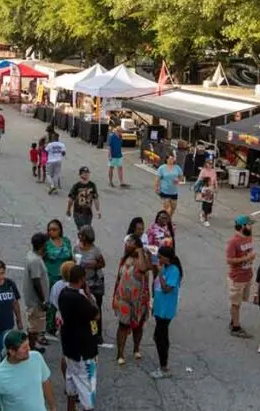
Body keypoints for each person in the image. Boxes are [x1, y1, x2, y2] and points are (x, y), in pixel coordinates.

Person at [0, 329, 57, 411]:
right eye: (24, 348)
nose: (29, 349)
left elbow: (45, 382)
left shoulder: (37, 357)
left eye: (28, 345)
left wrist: (53, 408)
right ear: (11, 351)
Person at [58, 266, 99, 410]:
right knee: (87, 389)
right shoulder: (79, 299)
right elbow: (96, 313)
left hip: (70, 348)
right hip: (83, 350)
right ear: (82, 280)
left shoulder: (63, 293)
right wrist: (88, 295)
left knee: (71, 387)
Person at [111, 237, 150, 365]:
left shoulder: (142, 258)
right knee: (123, 326)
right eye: (126, 243)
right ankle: (120, 354)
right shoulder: (125, 259)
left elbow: (144, 268)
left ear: (137, 245)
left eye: (129, 243)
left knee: (138, 326)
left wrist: (140, 251)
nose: (126, 245)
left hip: (139, 300)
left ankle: (136, 348)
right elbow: (119, 278)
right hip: (124, 300)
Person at [150, 246, 182, 379]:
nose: (158, 258)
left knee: (160, 337)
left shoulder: (173, 270)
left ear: (166, 258)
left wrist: (160, 274)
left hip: (166, 309)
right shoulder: (164, 268)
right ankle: (163, 363)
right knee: (159, 335)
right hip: (159, 307)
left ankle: (164, 367)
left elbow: (166, 289)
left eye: (160, 256)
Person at [0, 260, 23, 372]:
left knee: (6, 351)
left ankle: (4, 373)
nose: (1, 276)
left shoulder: (9, 284)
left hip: (7, 325)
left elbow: (15, 303)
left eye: (2, 273)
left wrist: (19, 319)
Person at [226, 214, 256, 337]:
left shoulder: (248, 238)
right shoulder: (233, 242)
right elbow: (229, 260)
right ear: (242, 226)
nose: (251, 227)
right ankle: (235, 327)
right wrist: (247, 258)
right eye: (249, 225)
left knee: (239, 302)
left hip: (247, 275)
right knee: (235, 304)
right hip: (237, 277)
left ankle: (234, 320)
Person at [74, 226, 105, 342]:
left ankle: (96, 333)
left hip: (95, 282)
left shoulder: (95, 250)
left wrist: (92, 265)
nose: (80, 236)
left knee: (95, 308)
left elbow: (102, 264)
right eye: (79, 234)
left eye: (82, 234)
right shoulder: (76, 248)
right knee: (83, 308)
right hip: (82, 282)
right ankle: (85, 331)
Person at [43, 220, 73, 335]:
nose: (52, 232)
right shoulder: (46, 243)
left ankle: (63, 323)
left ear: (60, 230)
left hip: (65, 277)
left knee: (64, 301)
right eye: (50, 229)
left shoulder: (66, 241)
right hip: (51, 277)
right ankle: (50, 325)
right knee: (52, 302)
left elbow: (70, 256)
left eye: (54, 229)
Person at [23, 233, 51, 352]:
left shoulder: (32, 255)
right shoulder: (35, 261)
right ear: (43, 245)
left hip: (35, 300)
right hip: (36, 301)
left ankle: (33, 346)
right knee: (34, 327)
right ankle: (31, 348)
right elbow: (36, 281)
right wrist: (43, 300)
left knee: (35, 325)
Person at [154, 153, 184, 218]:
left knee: (173, 207)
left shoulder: (177, 167)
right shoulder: (162, 168)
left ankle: (169, 218)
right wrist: (156, 187)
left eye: (173, 159)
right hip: (164, 190)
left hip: (174, 191)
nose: (171, 160)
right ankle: (164, 220)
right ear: (166, 159)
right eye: (170, 159)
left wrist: (178, 180)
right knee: (166, 207)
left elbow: (181, 177)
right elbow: (157, 179)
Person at [196, 158, 217, 226]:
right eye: (209, 163)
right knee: (206, 204)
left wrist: (216, 187)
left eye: (211, 163)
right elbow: (199, 179)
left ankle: (205, 213)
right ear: (206, 164)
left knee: (210, 203)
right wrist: (196, 186)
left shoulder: (213, 171)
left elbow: (215, 179)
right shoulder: (203, 170)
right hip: (205, 188)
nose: (210, 165)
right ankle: (204, 217)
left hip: (211, 188)